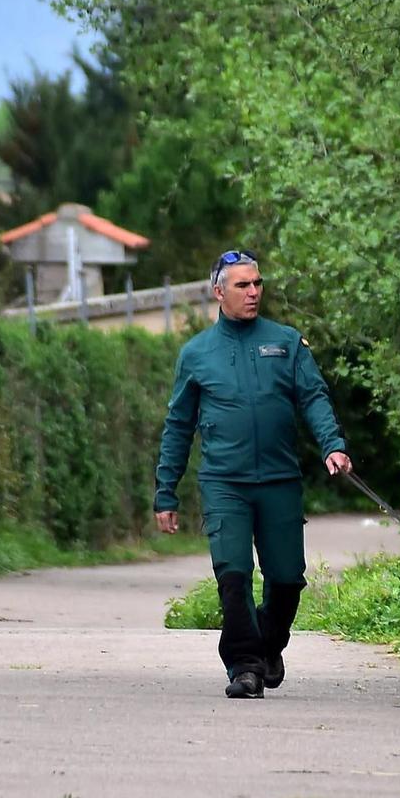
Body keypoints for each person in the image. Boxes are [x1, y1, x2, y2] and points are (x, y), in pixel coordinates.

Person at [154, 250, 352, 698]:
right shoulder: (197, 353)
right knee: (234, 572)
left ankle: (268, 646)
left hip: (280, 481)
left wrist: (333, 445)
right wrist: (165, 492)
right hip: (225, 483)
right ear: (218, 292)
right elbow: (178, 426)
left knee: (286, 578)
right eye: (243, 285)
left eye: (258, 283)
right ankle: (244, 666)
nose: (254, 292)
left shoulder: (285, 341)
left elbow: (314, 398)